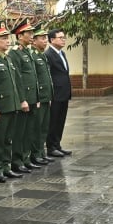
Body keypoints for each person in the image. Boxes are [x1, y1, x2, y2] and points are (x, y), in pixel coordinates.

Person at [0, 22, 21, 183]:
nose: (8, 41)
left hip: (12, 105)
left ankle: (7, 167)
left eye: (8, 38)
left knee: (9, 138)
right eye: (4, 38)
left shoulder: (7, 58)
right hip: (1, 106)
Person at [9, 19, 41, 172]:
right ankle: (17, 160)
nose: (31, 36)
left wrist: (37, 97)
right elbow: (18, 78)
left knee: (29, 131)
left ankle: (26, 158)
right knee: (20, 132)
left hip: (33, 98)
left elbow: (33, 76)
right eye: (28, 33)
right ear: (20, 35)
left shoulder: (28, 51)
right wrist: (22, 99)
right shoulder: (15, 53)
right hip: (24, 99)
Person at [45, 28, 72, 157]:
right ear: (52, 40)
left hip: (64, 93)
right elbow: (48, 76)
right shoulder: (48, 55)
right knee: (53, 121)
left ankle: (57, 144)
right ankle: (51, 147)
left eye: (64, 37)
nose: (63, 39)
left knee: (61, 121)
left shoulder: (62, 54)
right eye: (60, 37)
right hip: (55, 94)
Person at [30, 28, 54, 165]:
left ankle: (41, 152)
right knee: (37, 128)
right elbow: (35, 79)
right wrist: (38, 97)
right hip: (39, 97)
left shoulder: (42, 55)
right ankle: (35, 154)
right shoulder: (33, 55)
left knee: (44, 127)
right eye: (42, 38)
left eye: (46, 38)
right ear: (34, 40)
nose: (45, 40)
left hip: (46, 96)